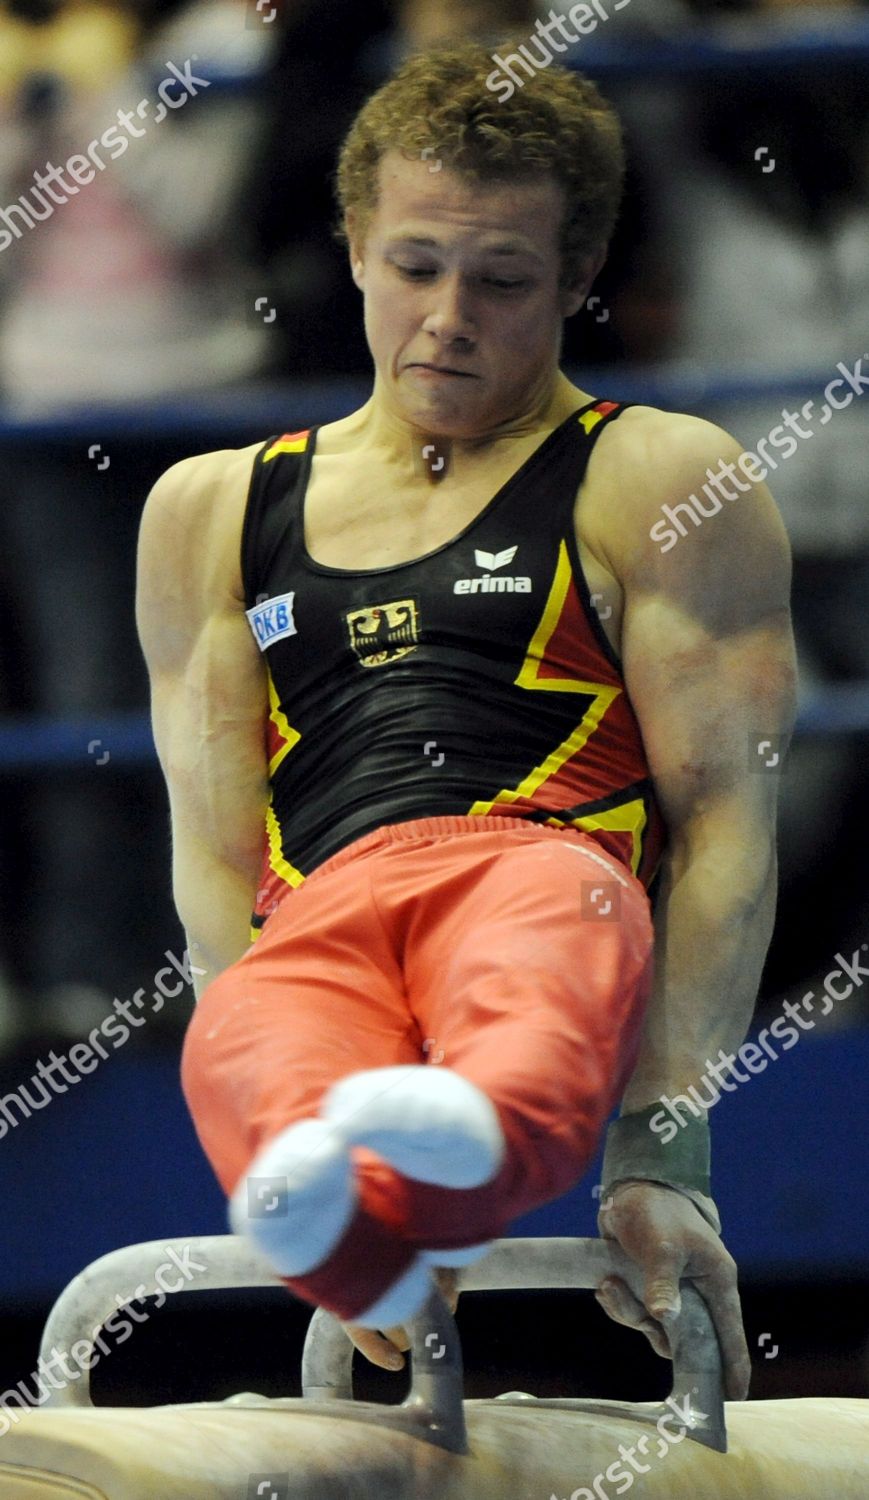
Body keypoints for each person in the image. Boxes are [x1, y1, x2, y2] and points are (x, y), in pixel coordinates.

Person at [136, 40, 796, 1397]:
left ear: (576, 278)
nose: (447, 316)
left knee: (545, 954)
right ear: (352, 243)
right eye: (413, 266)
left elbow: (724, 825)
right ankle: (346, 1223)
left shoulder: (654, 474)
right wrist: (256, 1056)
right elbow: (212, 859)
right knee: (246, 1045)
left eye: (500, 281)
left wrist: (661, 1158)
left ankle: (463, 1135)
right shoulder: (211, 509)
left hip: (537, 863)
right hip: (317, 917)